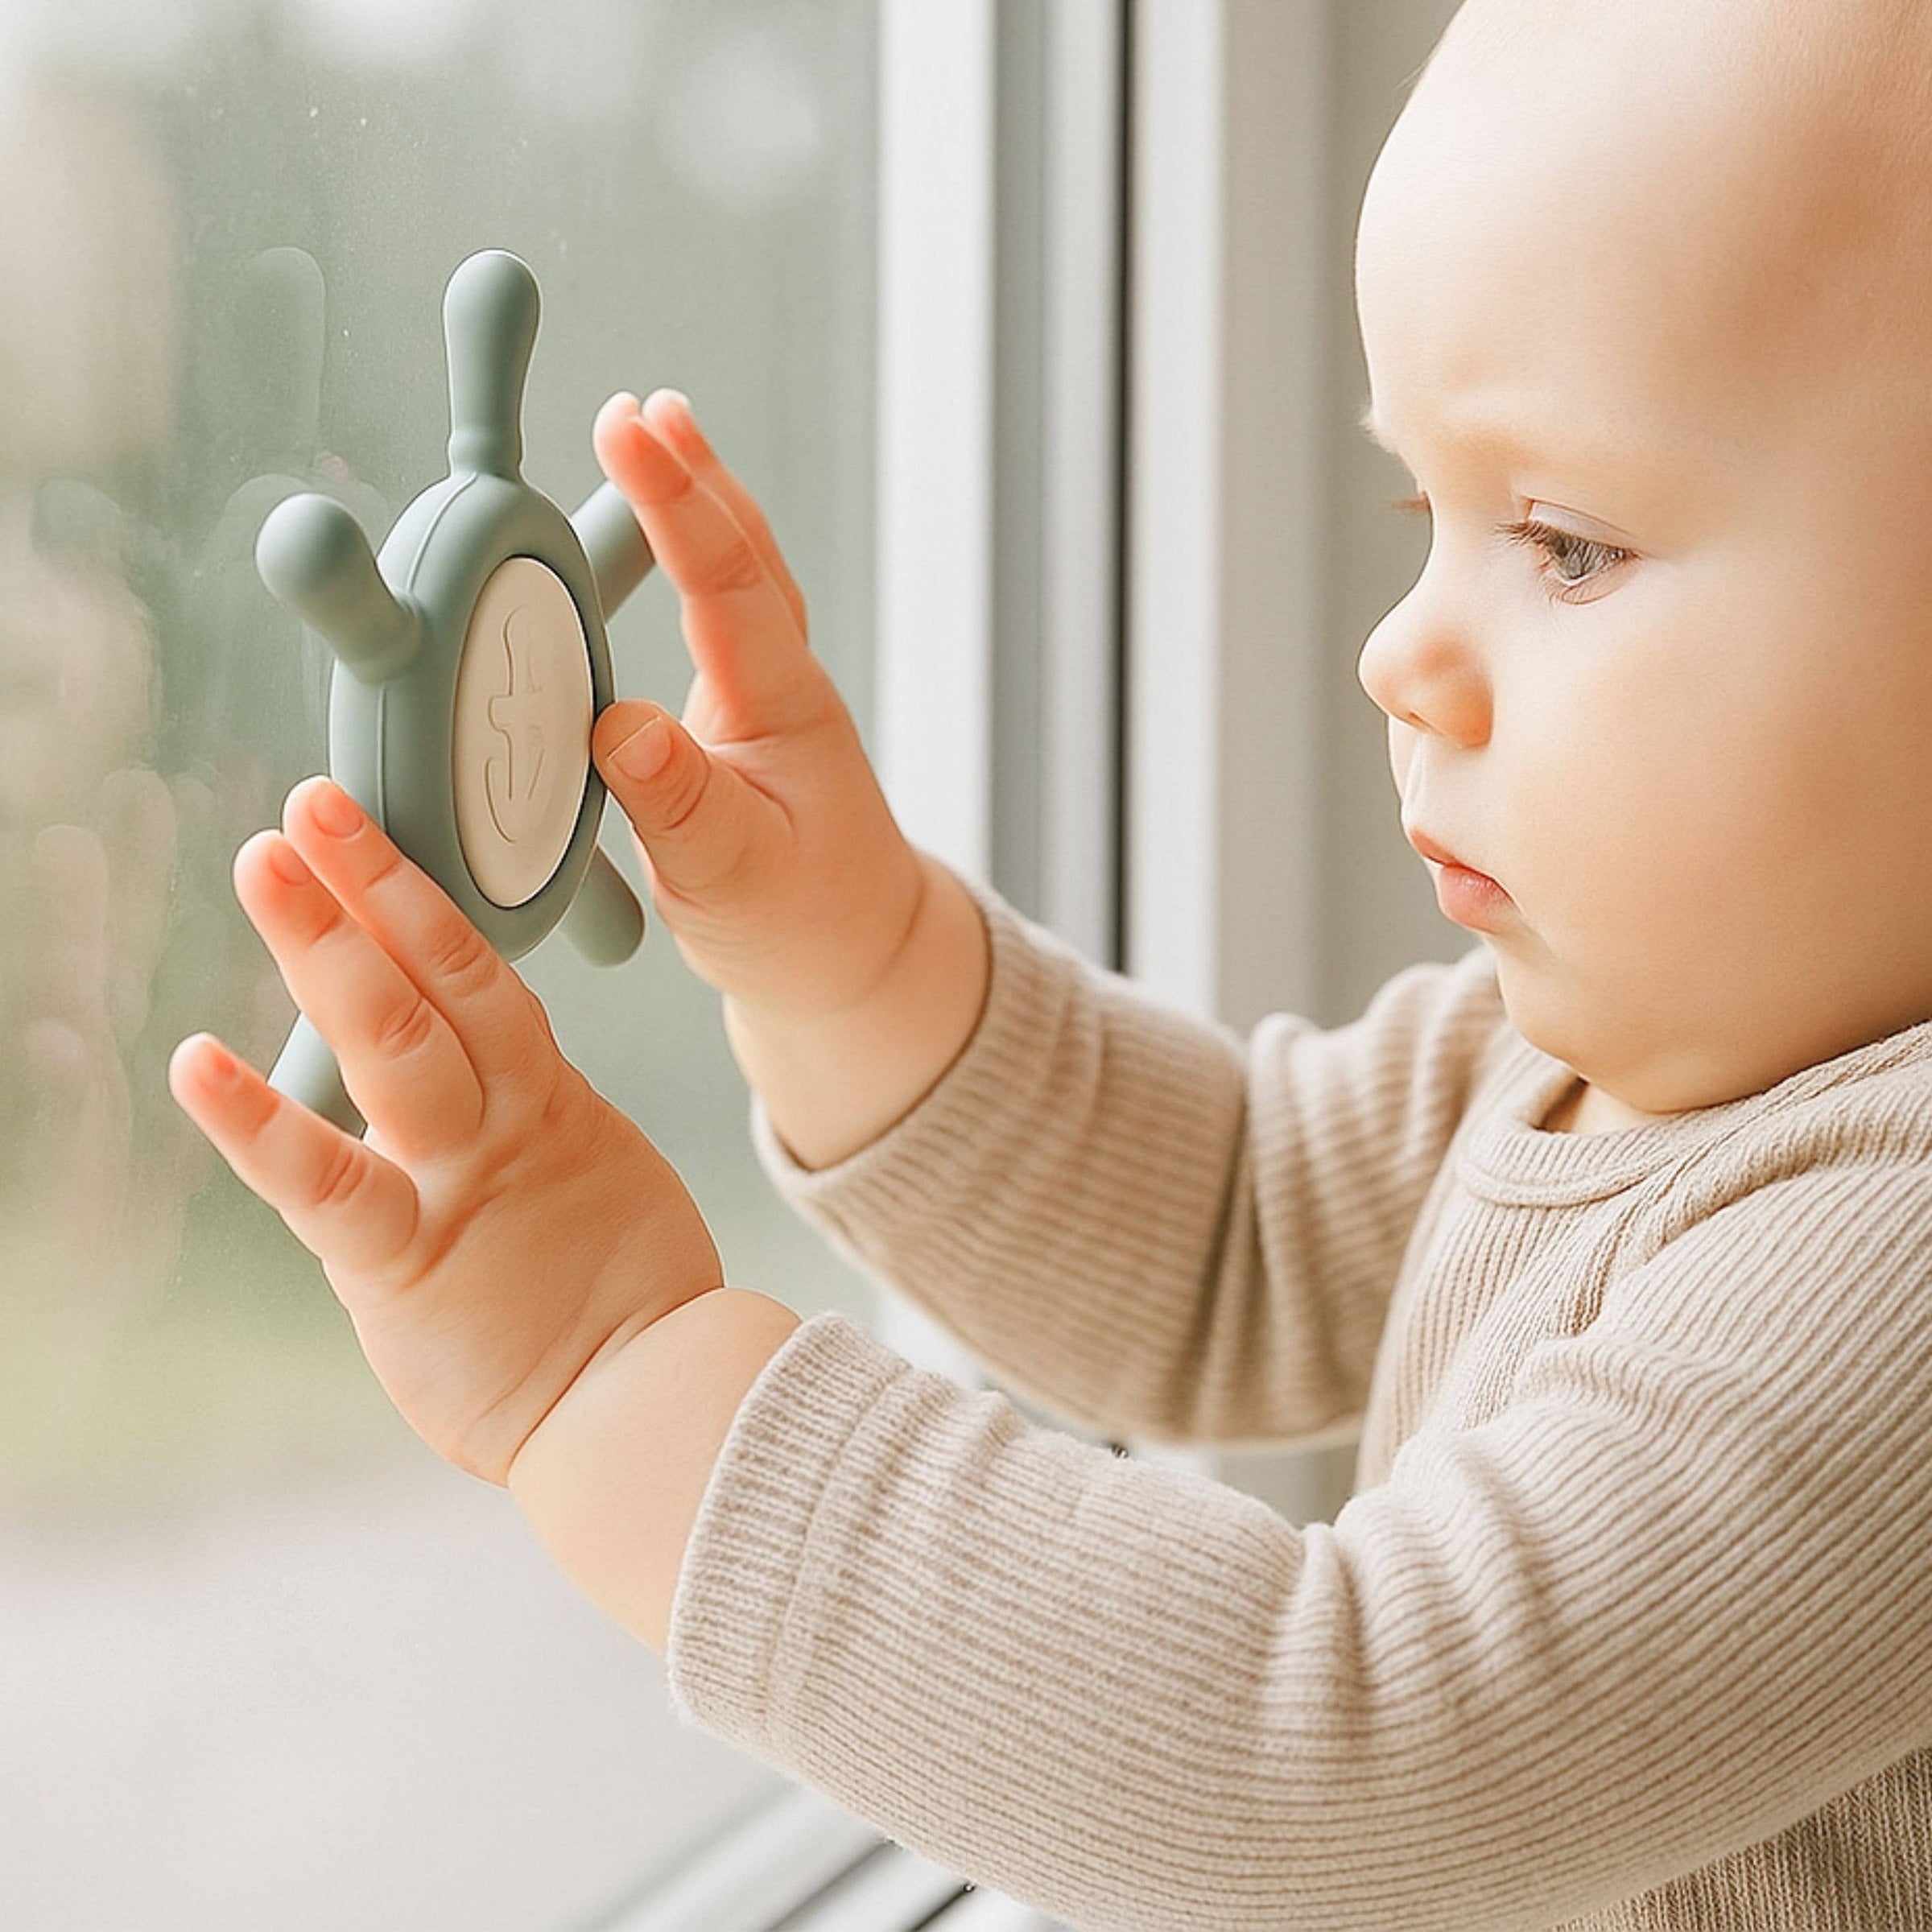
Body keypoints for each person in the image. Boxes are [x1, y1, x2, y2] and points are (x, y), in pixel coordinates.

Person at [167, 0, 1932, 1923]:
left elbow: (1335, 1756)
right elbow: (1226, 1237)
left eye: (1569, 546)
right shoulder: (1593, 1051)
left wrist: (614, 1363)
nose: (1399, 656)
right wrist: (857, 960)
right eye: (1424, 517)